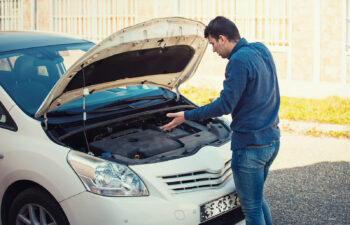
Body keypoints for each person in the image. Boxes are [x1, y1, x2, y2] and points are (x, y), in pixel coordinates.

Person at [162, 16, 280, 225]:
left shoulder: (238, 61)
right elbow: (257, 91)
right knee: (257, 200)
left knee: (251, 210)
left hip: (251, 147)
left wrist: (186, 115)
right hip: (272, 140)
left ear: (222, 39)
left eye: (213, 44)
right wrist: (223, 101)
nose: (214, 50)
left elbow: (225, 106)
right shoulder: (260, 50)